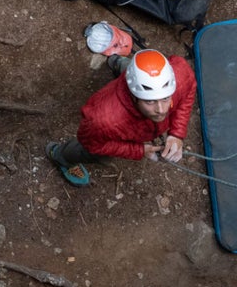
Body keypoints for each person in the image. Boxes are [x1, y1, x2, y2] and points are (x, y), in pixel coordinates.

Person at [46, 49, 197, 186]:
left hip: (133, 86)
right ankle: (60, 155)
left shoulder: (180, 74)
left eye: (165, 98)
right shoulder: (102, 121)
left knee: (135, 72)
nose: (161, 110)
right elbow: (91, 143)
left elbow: (189, 89)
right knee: (96, 155)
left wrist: (177, 133)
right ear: (133, 96)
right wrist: (138, 150)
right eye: (150, 101)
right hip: (111, 122)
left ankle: (118, 63)